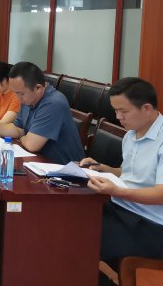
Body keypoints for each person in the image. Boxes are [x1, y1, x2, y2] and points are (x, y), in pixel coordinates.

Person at [79, 78, 163, 286]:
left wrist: (116, 191)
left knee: (81, 239)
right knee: (69, 220)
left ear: (146, 108)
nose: (118, 117)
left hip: (149, 225)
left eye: (123, 111)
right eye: (115, 110)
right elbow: (131, 174)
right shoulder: (131, 135)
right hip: (121, 209)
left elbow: (160, 194)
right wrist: (104, 168)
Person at [0, 61, 84, 164]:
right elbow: (17, 129)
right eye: (14, 93)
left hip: (63, 169)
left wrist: (23, 137)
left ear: (38, 88)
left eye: (20, 93)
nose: (17, 98)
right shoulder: (29, 98)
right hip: (38, 162)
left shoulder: (53, 103)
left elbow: (32, 145)